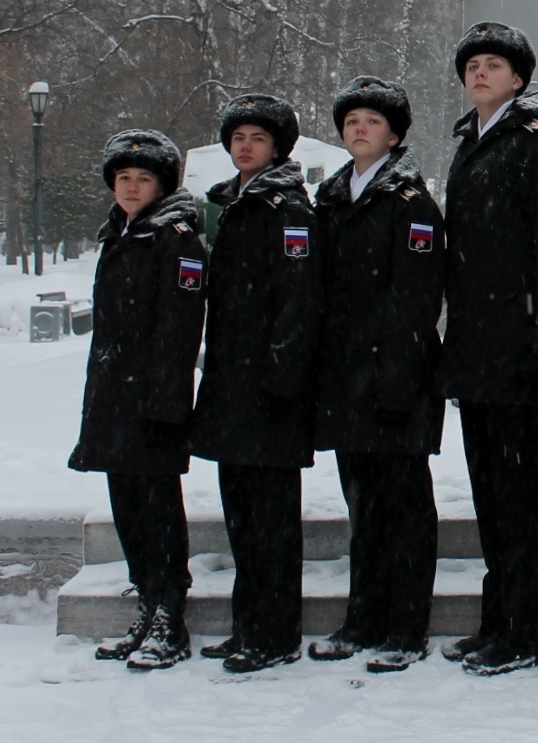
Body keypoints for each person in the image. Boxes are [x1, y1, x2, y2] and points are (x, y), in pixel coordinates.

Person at [439, 21, 538, 675]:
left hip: (520, 353)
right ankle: (499, 618)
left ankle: (526, 630)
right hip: (477, 352)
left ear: (518, 80)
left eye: (493, 64)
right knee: (490, 495)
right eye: (472, 65)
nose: (480, 72)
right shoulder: (471, 143)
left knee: (519, 497)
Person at [308, 77, 446, 674]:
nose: (359, 129)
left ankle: (405, 627)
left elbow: (417, 299)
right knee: (362, 506)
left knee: (405, 509)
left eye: (372, 121)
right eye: (352, 121)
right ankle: (362, 618)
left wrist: (397, 377)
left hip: (397, 377)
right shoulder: (331, 199)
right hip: (347, 379)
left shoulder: (411, 203)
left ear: (394, 136)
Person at [190, 94, 322, 673]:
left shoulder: (288, 209)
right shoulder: (232, 204)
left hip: (270, 390)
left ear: (278, 149)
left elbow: (299, 300)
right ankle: (248, 624)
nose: (245, 147)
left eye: (258, 139)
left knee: (272, 521)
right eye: (238, 138)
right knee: (241, 515)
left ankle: (274, 632)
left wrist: (281, 376)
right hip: (231, 384)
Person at [69, 129, 207, 671]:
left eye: (143, 178)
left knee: (158, 508)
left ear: (162, 186)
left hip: (153, 398)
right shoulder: (120, 235)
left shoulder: (176, 239)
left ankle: (170, 614)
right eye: (123, 177)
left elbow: (181, 326)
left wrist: (165, 399)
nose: (130, 186)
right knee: (126, 505)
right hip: (113, 399)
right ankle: (147, 602)